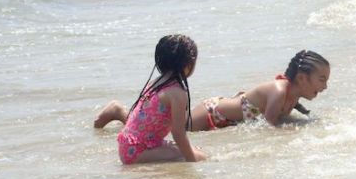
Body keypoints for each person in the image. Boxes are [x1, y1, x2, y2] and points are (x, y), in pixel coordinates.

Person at [95, 50, 331, 132]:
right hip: (213, 113)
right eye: (321, 79)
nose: (325, 86)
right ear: (301, 77)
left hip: (227, 117)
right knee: (169, 129)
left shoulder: (291, 96)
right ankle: (120, 112)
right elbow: (268, 127)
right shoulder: (280, 91)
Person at [107, 35, 206, 165]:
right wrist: (191, 160)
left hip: (129, 145)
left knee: (192, 149)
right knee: (201, 156)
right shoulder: (178, 93)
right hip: (137, 151)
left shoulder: (157, 82)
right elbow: (178, 133)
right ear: (188, 64)